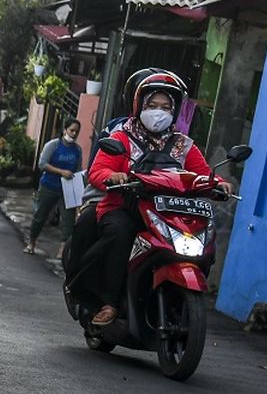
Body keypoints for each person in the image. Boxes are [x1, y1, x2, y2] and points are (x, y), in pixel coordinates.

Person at [85, 69, 231, 326]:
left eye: (165, 106)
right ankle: (109, 302)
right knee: (121, 232)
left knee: (204, 240)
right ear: (139, 105)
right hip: (123, 207)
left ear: (174, 111)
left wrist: (219, 184)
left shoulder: (183, 145)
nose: (158, 111)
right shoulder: (122, 138)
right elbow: (98, 171)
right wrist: (113, 177)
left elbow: (204, 175)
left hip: (167, 213)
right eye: (152, 104)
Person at [24, 117, 82, 257]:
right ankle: (31, 242)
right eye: (71, 130)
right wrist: (61, 172)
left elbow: (78, 169)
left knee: (68, 221)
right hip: (49, 185)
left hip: (67, 189)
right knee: (40, 216)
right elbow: (42, 164)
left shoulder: (77, 150)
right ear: (64, 130)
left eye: (77, 131)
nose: (74, 134)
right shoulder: (53, 145)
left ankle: (62, 251)